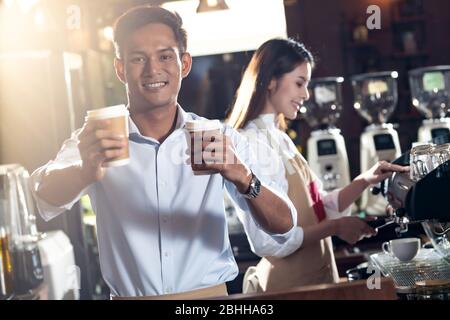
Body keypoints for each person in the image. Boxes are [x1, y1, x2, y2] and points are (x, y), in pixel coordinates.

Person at [29, 6, 299, 299]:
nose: (153, 69)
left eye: (165, 56)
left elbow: (284, 226)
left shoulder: (218, 137)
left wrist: (244, 177)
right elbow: (40, 197)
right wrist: (83, 172)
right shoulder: (98, 137)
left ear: (184, 64)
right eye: (138, 59)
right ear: (120, 69)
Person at [227, 38, 409, 292]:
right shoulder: (252, 143)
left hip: (316, 281)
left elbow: (318, 208)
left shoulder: (280, 138)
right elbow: (270, 242)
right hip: (288, 289)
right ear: (270, 80)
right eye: (299, 83)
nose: (306, 94)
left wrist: (365, 180)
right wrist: (335, 228)